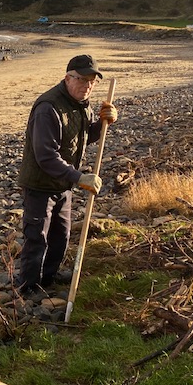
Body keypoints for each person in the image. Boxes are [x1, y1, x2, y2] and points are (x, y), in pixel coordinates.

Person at [17, 54, 118, 300]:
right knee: (37, 236)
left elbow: (84, 136)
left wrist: (104, 122)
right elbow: (45, 156)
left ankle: (49, 276)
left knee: (61, 235)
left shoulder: (83, 105)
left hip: (63, 184)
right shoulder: (48, 108)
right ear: (68, 78)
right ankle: (28, 287)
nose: (87, 86)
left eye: (92, 82)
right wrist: (79, 177)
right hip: (40, 183)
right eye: (82, 80)